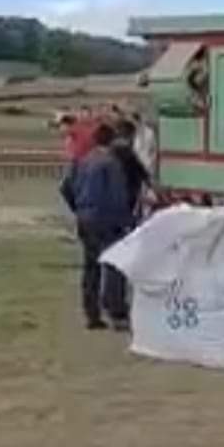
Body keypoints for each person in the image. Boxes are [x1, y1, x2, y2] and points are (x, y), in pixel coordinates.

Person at [59, 122, 132, 331]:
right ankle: (115, 311)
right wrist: (126, 220)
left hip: (85, 216)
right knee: (113, 264)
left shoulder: (82, 160)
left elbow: (65, 187)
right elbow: (118, 195)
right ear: (112, 140)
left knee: (90, 266)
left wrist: (78, 208)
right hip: (107, 218)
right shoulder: (112, 163)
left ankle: (91, 314)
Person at [112, 119, 153, 223]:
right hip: (127, 195)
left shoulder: (108, 151)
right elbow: (141, 172)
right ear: (130, 136)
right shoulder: (127, 153)